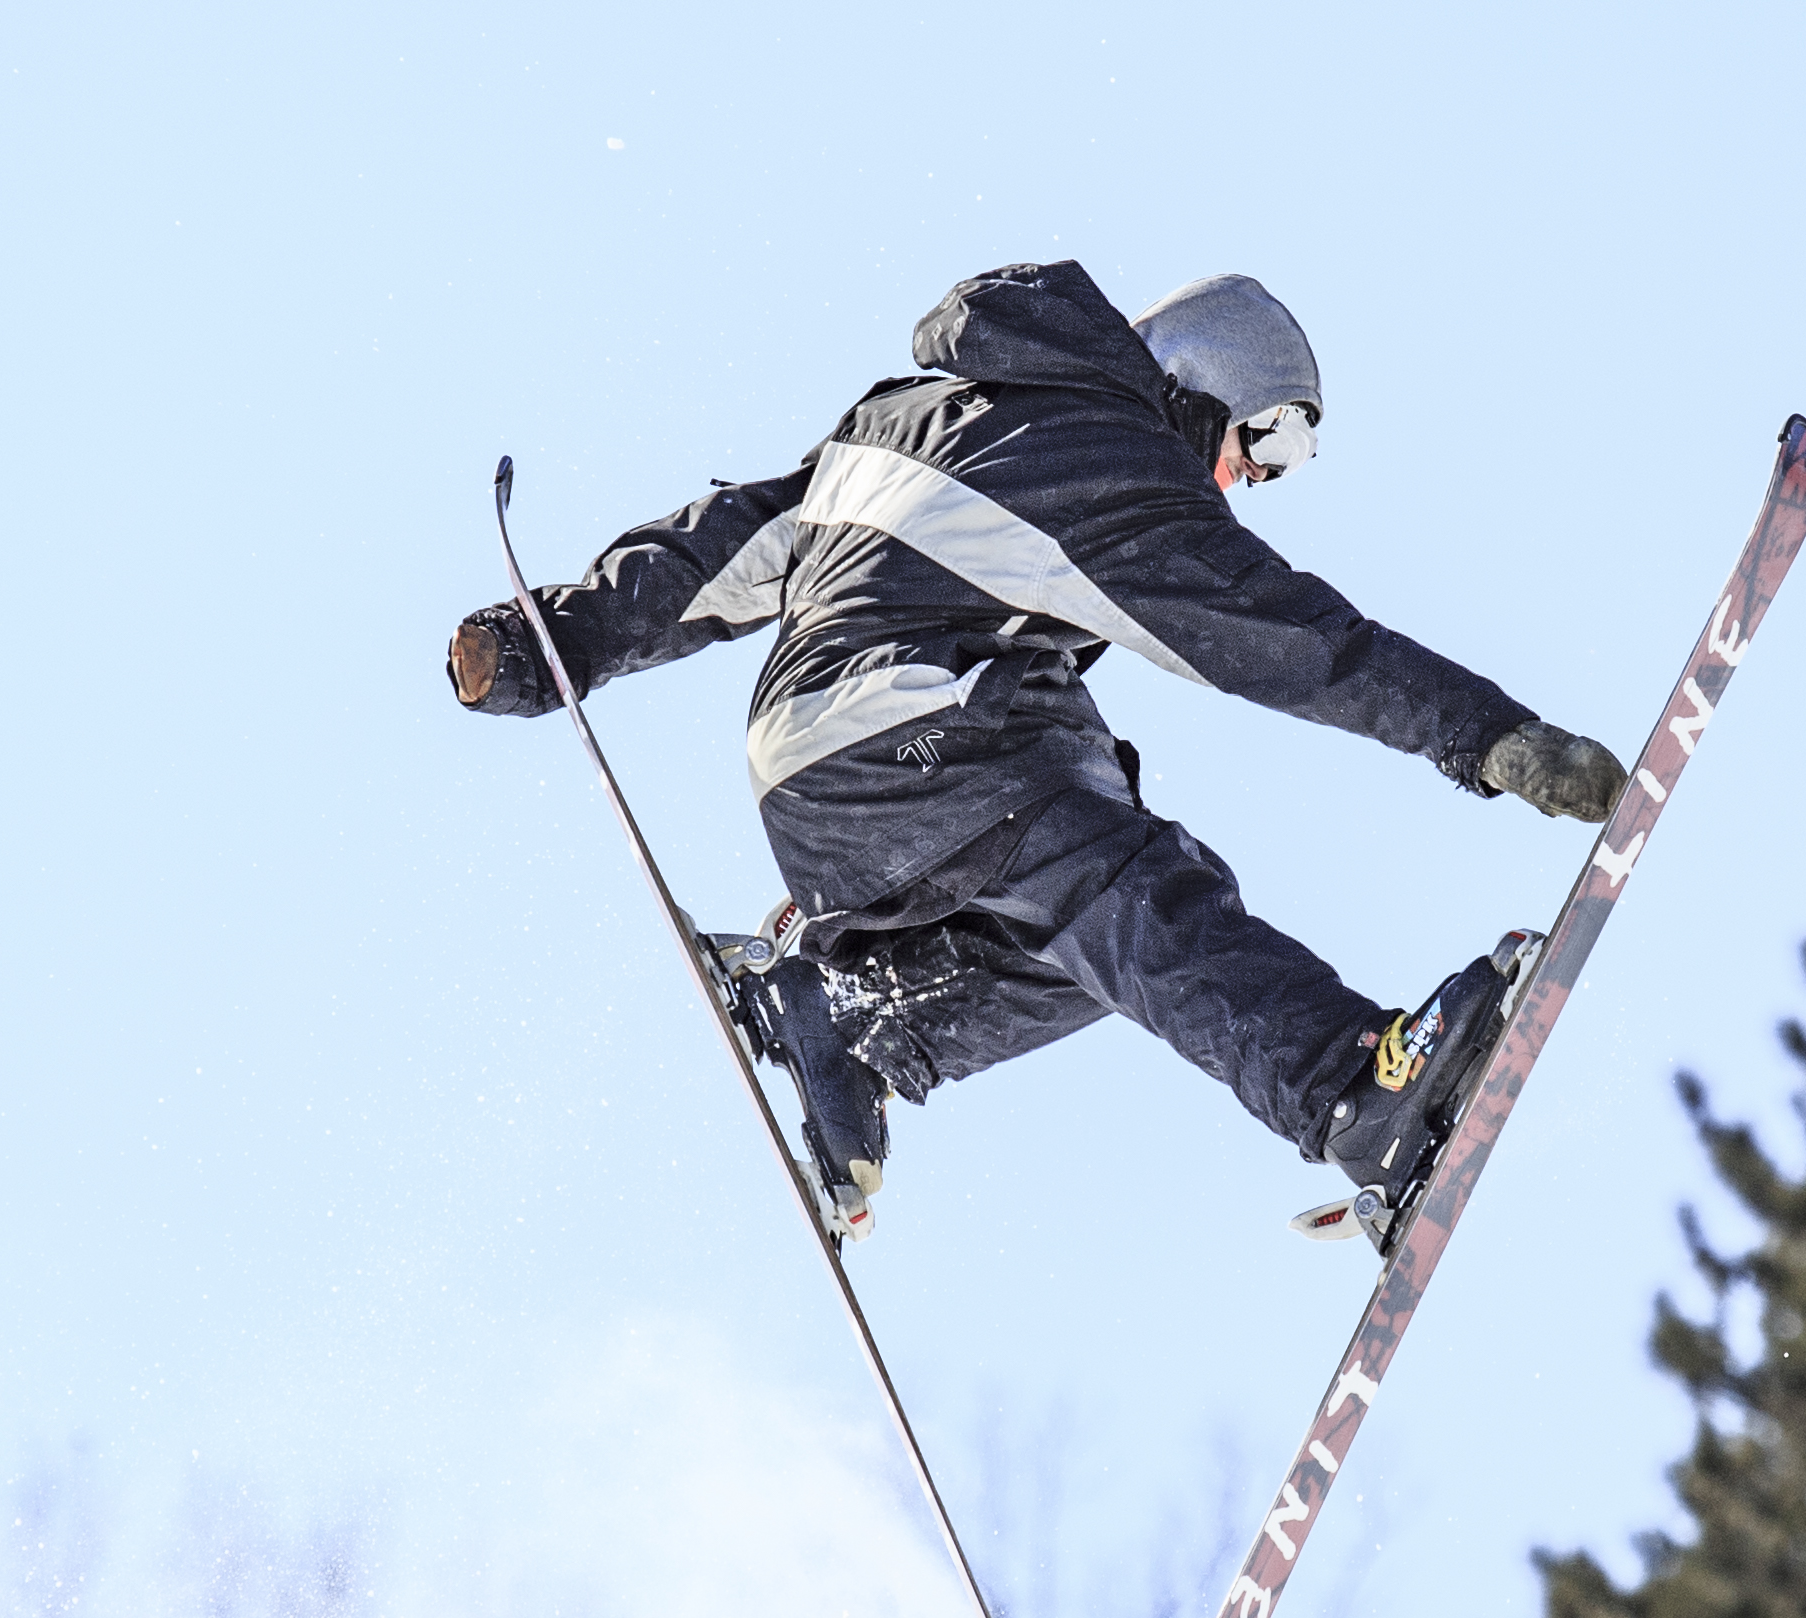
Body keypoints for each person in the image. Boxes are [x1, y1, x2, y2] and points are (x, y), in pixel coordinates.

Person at [448, 260, 1628, 1244]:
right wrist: (1493, 737)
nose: (1250, 485)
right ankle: (1354, 1095)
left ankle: (849, 1015)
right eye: (1266, 449)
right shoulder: (1112, 461)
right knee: (1124, 884)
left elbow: (719, 556)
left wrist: (544, 638)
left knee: (1096, 925)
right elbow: (1295, 641)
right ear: (1207, 387)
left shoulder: (904, 416)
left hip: (812, 784)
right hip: (921, 730)